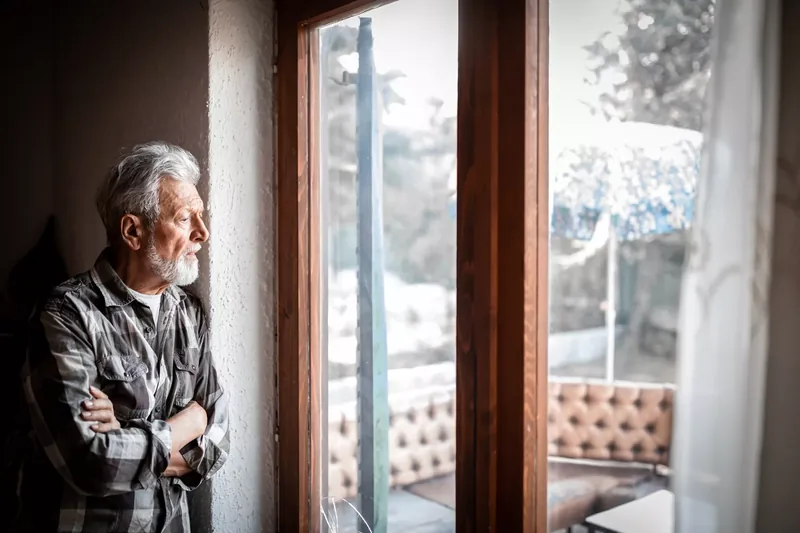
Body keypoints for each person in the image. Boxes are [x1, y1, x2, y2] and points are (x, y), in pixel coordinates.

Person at [15, 142, 230, 532]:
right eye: (185, 219)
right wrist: (187, 424)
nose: (203, 232)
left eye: (201, 217)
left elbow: (217, 448)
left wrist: (127, 435)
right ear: (133, 231)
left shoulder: (190, 313)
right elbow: (92, 462)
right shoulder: (65, 315)